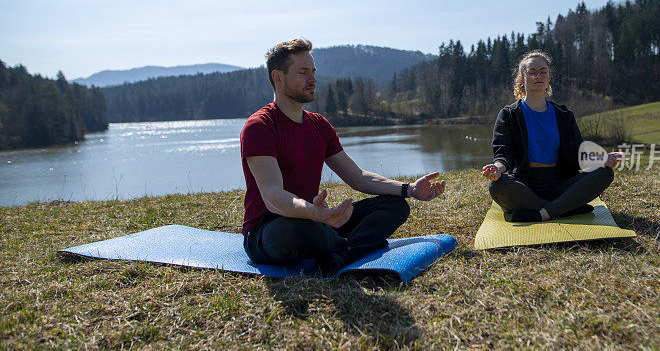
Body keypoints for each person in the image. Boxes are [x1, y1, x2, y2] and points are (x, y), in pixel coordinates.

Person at [241, 38, 446, 274]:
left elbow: (358, 177)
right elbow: (272, 196)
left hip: (317, 220)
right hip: (270, 228)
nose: (313, 79)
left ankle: (342, 254)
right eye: (303, 72)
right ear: (278, 77)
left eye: (314, 72)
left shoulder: (319, 125)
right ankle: (347, 247)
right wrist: (312, 212)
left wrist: (409, 189)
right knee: (298, 231)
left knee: (395, 205)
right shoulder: (260, 126)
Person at [481, 50, 623, 222]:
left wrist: (602, 160)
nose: (537, 76)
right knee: (497, 185)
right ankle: (565, 207)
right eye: (531, 73)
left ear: (549, 77)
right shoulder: (509, 114)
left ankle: (542, 213)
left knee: (604, 173)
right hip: (525, 186)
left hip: (560, 184)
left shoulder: (564, 115)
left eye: (543, 72)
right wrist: (497, 169)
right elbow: (503, 154)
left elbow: (578, 154)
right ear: (521, 78)